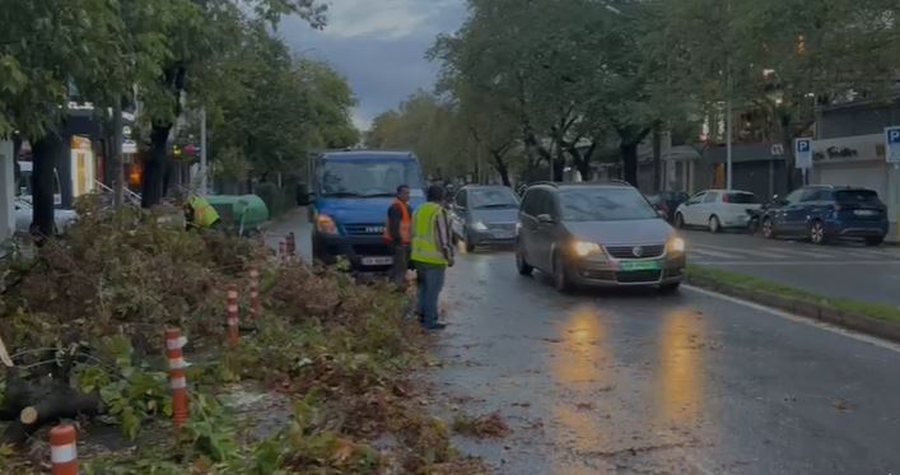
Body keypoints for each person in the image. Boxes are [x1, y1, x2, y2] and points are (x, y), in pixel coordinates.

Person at [411, 185, 454, 330]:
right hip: (434, 259)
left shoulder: (418, 210)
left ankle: (421, 316)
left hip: (418, 256)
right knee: (433, 291)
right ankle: (429, 322)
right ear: (441, 197)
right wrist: (449, 257)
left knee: (423, 289)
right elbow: (444, 238)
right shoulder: (439, 212)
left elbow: (413, 232)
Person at [383, 184, 412, 286]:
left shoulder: (405, 206)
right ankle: (396, 287)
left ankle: (392, 284)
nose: (408, 195)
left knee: (400, 267)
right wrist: (398, 242)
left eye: (408, 193)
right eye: (405, 193)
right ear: (399, 194)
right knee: (400, 268)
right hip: (399, 243)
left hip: (404, 243)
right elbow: (394, 227)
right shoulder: (396, 207)